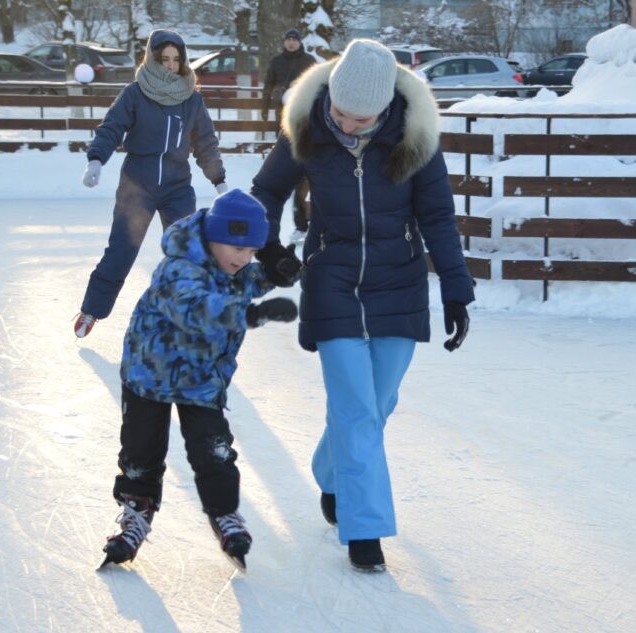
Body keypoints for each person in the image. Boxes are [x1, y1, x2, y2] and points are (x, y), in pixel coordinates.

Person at [251, 39, 474, 573]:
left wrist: (456, 288)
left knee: (378, 403)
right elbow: (265, 193)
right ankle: (365, 526)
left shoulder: (414, 138)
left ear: (385, 109)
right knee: (355, 407)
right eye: (340, 113)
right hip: (331, 276)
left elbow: (438, 216)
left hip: (399, 279)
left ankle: (332, 473)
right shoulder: (307, 126)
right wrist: (272, 249)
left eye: (360, 119)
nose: (347, 125)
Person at [100, 189, 299, 570]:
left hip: (202, 377)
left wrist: (275, 273)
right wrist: (252, 316)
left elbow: (243, 281)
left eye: (251, 252)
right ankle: (135, 515)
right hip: (149, 375)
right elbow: (197, 309)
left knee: (215, 451)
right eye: (236, 249)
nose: (242, 259)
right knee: (141, 452)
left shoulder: (230, 265)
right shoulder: (178, 269)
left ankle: (225, 513)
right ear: (211, 238)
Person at [75, 29, 228, 338]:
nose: (170, 65)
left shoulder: (191, 99)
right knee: (121, 250)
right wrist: (96, 159)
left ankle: (189, 315)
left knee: (189, 251)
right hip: (138, 186)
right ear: (151, 59)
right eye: (164, 59)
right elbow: (112, 128)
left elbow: (206, 143)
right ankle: (92, 309)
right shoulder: (135, 93)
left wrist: (219, 181)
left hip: (177, 187)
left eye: (176, 59)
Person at [260, 28, 317, 241]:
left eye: (295, 39)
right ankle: (297, 224)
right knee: (289, 170)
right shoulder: (276, 61)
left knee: (307, 175)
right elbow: (268, 85)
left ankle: (306, 223)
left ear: (300, 42)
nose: (291, 43)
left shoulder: (309, 60)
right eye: (288, 39)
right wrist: (264, 107)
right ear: (284, 42)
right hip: (283, 119)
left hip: (307, 120)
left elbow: (318, 85)